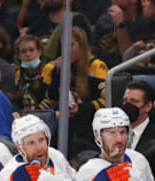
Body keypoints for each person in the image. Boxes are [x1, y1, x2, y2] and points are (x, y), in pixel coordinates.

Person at [40, 26, 108, 162]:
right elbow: (51, 99)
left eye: (71, 45)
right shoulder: (56, 68)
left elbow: (106, 102)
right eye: (63, 45)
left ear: (81, 45)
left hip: (91, 125)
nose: (66, 50)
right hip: (67, 124)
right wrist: (55, 74)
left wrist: (81, 109)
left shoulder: (96, 67)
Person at [121, 80, 155, 179]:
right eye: (126, 101)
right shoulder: (113, 134)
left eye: (134, 101)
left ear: (148, 106)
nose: (127, 106)